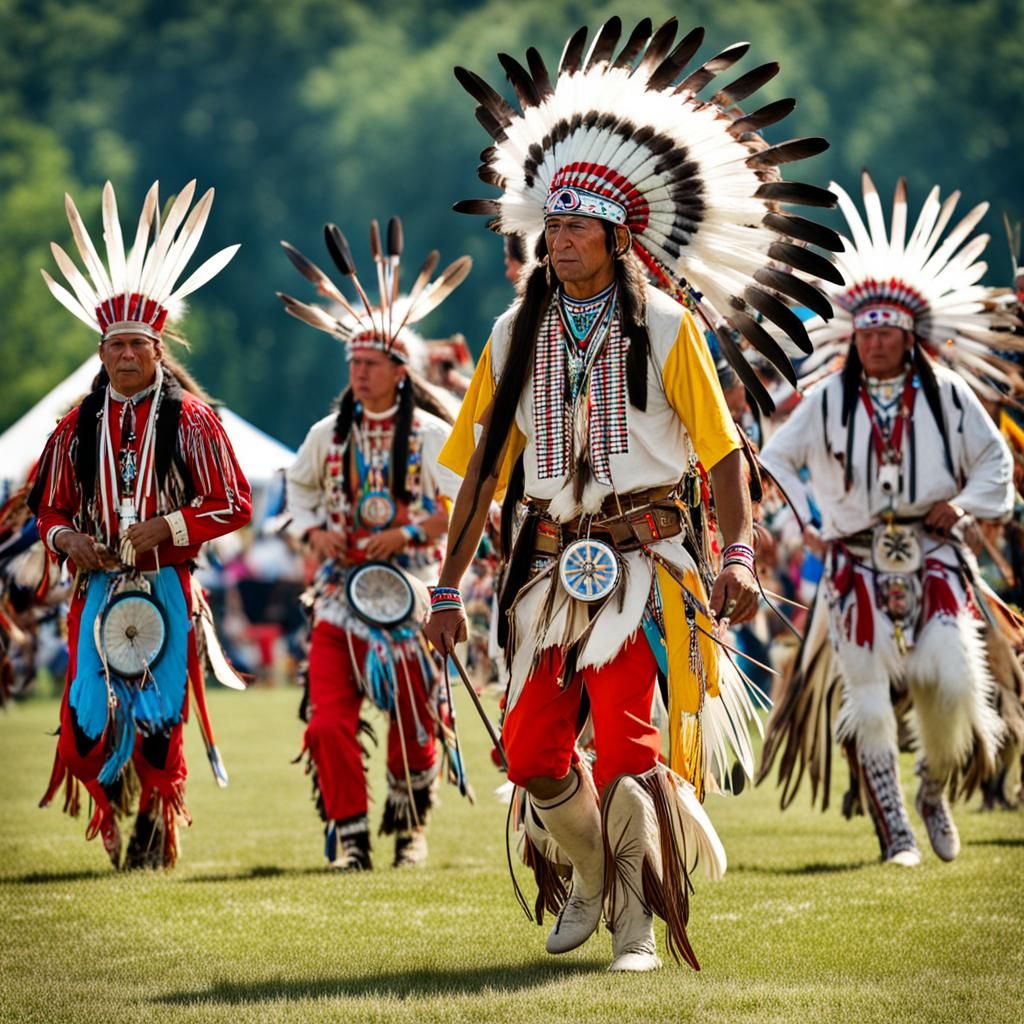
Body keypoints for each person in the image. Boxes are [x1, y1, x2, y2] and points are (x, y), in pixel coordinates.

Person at [424, 16, 840, 972]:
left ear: (615, 235)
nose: (558, 239)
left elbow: (724, 456)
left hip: (647, 564)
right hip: (547, 573)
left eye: (575, 227)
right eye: (551, 225)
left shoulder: (665, 326)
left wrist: (736, 554)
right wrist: (446, 589)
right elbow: (483, 475)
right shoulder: (509, 334)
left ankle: (636, 920)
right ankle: (598, 876)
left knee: (627, 745)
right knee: (529, 753)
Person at [758, 172, 1020, 865]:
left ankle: (933, 792)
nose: (876, 343)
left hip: (932, 550)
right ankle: (897, 830)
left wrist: (962, 504)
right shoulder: (825, 402)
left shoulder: (947, 396)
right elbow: (774, 458)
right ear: (854, 338)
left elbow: (995, 465)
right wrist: (811, 517)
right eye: (867, 332)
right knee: (868, 699)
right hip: (852, 559)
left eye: (888, 333)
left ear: (908, 336)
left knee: (955, 678)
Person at [30, 180, 252, 868]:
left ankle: (158, 824)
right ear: (101, 353)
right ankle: (117, 802)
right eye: (115, 344)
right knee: (90, 714)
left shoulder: (191, 419)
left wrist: (168, 528)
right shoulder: (75, 425)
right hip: (98, 588)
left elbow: (234, 502)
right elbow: (49, 508)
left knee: (158, 712)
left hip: (166, 585)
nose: (126, 355)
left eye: (137, 344)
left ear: (158, 349)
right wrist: (70, 541)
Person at [278, 217, 469, 870]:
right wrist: (313, 529)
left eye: (369, 363)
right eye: (352, 363)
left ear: (399, 370)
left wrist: (410, 531)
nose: (357, 373)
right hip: (338, 600)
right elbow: (296, 492)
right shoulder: (326, 435)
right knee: (327, 722)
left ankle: (410, 824)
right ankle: (350, 834)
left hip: (413, 594)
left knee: (416, 719)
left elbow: (473, 506)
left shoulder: (430, 437)